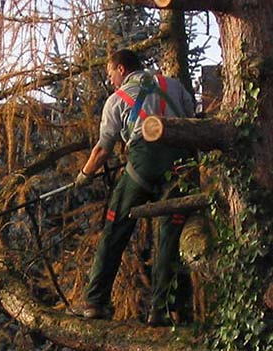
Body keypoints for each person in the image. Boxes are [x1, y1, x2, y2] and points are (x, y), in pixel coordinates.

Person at [69, 49, 195, 326]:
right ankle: (163, 311)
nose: (111, 80)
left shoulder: (116, 100)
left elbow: (102, 150)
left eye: (111, 73)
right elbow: (192, 121)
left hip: (143, 165)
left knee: (115, 229)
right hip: (182, 163)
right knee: (171, 235)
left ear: (122, 69)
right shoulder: (172, 84)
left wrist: (84, 175)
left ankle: (95, 301)